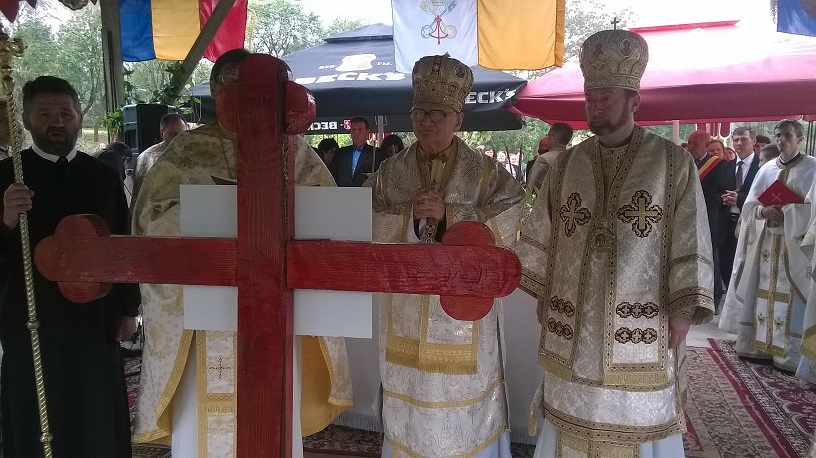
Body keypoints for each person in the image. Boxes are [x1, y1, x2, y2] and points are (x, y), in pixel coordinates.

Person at [132, 49, 353, 451]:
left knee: (275, 407)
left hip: (277, 305)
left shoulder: (297, 151)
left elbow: (329, 222)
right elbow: (151, 223)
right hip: (204, 314)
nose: (243, 93)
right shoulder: (183, 152)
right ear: (215, 91)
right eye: (232, 83)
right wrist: (221, 213)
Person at [515, 30, 714, 457]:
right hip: (573, 317)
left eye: (606, 97)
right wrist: (543, 290)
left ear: (633, 101)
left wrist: (682, 311)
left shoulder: (670, 162)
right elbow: (543, 231)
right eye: (591, 98)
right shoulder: (568, 164)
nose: (596, 106)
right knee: (571, 412)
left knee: (637, 414)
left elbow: (690, 233)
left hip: (643, 320)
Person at [364, 54, 525, 457]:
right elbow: (365, 223)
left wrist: (453, 215)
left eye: (437, 113)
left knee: (462, 408)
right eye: (419, 113)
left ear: (459, 119)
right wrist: (407, 216)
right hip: (405, 309)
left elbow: (515, 220)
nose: (426, 122)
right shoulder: (389, 171)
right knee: (409, 394)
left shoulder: (486, 173)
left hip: (464, 313)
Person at [0, 75, 140, 457]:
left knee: (94, 416)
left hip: (94, 318)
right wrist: (7, 220)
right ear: (26, 120)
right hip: (30, 321)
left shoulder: (101, 175)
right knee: (34, 417)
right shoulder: (7, 176)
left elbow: (123, 244)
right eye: (45, 114)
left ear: (80, 117)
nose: (57, 122)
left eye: (66, 113)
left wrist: (129, 308)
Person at [719, 119, 816, 376]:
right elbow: (750, 207)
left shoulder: (812, 169)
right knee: (762, 293)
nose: (781, 140)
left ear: (800, 139)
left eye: (786, 135)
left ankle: (789, 355)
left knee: (793, 298)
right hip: (766, 246)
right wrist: (764, 210)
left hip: (795, 248)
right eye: (778, 135)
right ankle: (760, 347)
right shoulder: (767, 169)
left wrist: (790, 212)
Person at [687, 130, 731, 311]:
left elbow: (722, 193)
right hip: (688, 218)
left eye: (695, 144)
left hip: (710, 219)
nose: (690, 147)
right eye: (689, 142)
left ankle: (712, 299)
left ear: (706, 146)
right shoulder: (685, 161)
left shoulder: (719, 166)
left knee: (711, 259)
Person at [720, 127, 761, 295]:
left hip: (752, 222)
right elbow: (714, 191)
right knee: (726, 262)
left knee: (749, 262)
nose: (739, 143)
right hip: (727, 222)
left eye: (743, 139)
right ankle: (731, 299)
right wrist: (722, 199)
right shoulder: (725, 167)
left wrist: (740, 199)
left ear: (754, 141)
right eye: (736, 140)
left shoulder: (762, 166)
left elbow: (763, 194)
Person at [130, 112, 188, 211]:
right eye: (173, 134)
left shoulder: (192, 152)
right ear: (162, 133)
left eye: (182, 134)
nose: (178, 138)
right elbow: (143, 193)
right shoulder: (149, 157)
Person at [329, 116, 384, 186]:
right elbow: (332, 177)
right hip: (343, 193)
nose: (356, 132)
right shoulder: (340, 153)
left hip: (366, 193)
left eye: (360, 129)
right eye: (353, 129)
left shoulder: (376, 153)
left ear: (367, 132)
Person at [528, 122, 574, 191]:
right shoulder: (574, 159)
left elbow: (530, 189)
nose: (547, 138)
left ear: (555, 138)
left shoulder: (544, 159)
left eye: (548, 135)